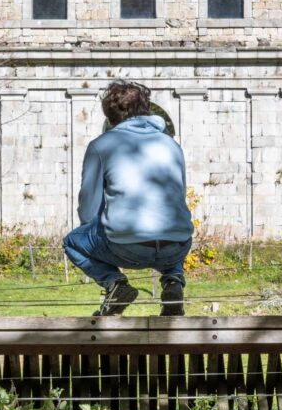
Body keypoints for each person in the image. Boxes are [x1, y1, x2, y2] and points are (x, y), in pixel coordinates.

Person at [63, 81, 193, 316]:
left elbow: (88, 208)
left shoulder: (101, 146)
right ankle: (173, 282)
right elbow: (178, 197)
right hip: (177, 246)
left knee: (72, 242)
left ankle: (115, 285)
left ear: (110, 114)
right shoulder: (172, 145)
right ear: (146, 110)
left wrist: (97, 229)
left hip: (125, 246)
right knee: (172, 227)